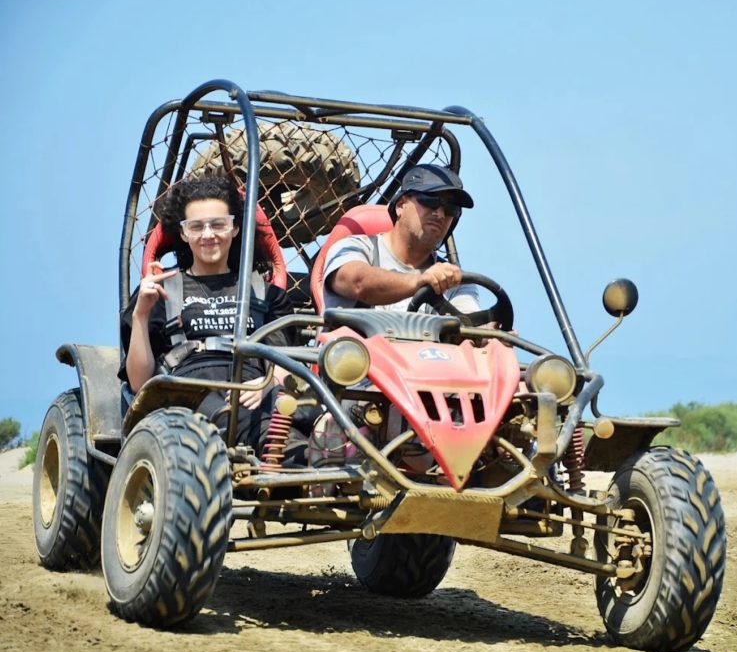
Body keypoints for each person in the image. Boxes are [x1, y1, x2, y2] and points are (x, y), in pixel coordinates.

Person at [119, 176, 302, 456]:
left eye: (218, 225)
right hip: (187, 394)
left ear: (235, 228)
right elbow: (138, 383)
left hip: (255, 389)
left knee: (309, 409)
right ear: (183, 233)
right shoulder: (159, 292)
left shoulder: (266, 294)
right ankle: (294, 455)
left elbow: (283, 359)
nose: (208, 235)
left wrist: (269, 383)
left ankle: (317, 454)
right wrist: (142, 314)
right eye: (196, 227)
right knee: (231, 415)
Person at [323, 164, 479, 313]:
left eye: (450, 208)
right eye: (430, 200)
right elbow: (358, 283)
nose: (440, 214)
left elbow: (472, 325)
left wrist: (489, 331)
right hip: (357, 341)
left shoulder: (454, 280)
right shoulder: (354, 247)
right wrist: (420, 281)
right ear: (401, 205)